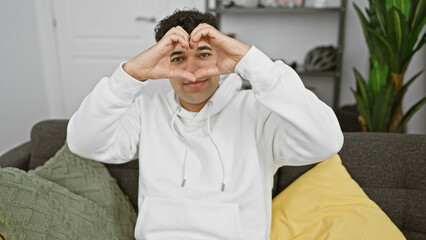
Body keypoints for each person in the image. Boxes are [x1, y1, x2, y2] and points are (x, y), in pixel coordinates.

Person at [67, 9, 343, 240]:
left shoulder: (258, 112)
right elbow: (82, 142)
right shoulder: (145, 113)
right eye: (178, 58)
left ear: (220, 55)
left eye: (203, 54)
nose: (192, 71)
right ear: (164, 63)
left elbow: (326, 141)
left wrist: (253, 63)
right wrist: (130, 75)